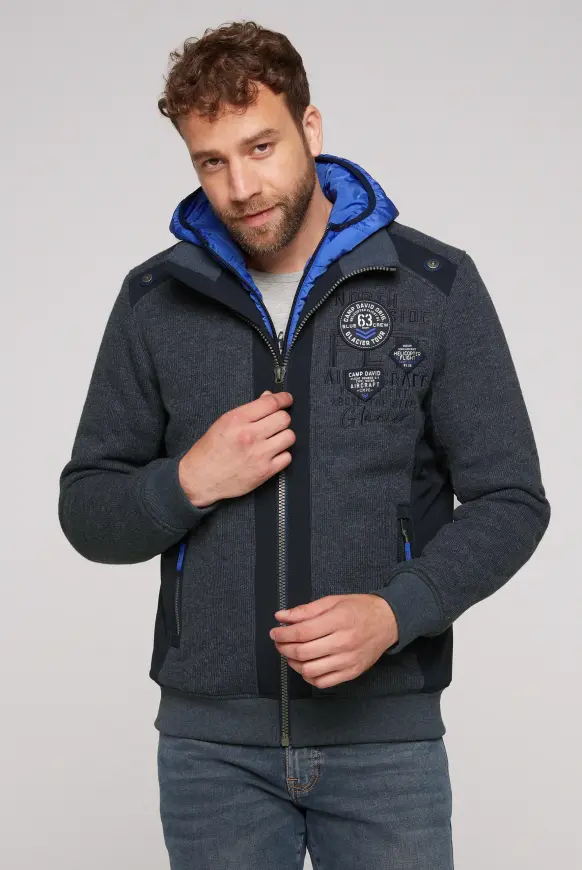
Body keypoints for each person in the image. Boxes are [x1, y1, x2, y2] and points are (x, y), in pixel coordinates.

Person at [58, 19, 551, 870]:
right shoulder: (153, 301)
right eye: (211, 162)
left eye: (261, 147)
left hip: (385, 750)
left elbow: (512, 500)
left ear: (310, 128)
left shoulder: (432, 287)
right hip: (211, 758)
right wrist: (188, 481)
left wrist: (396, 612)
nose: (241, 186)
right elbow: (87, 509)